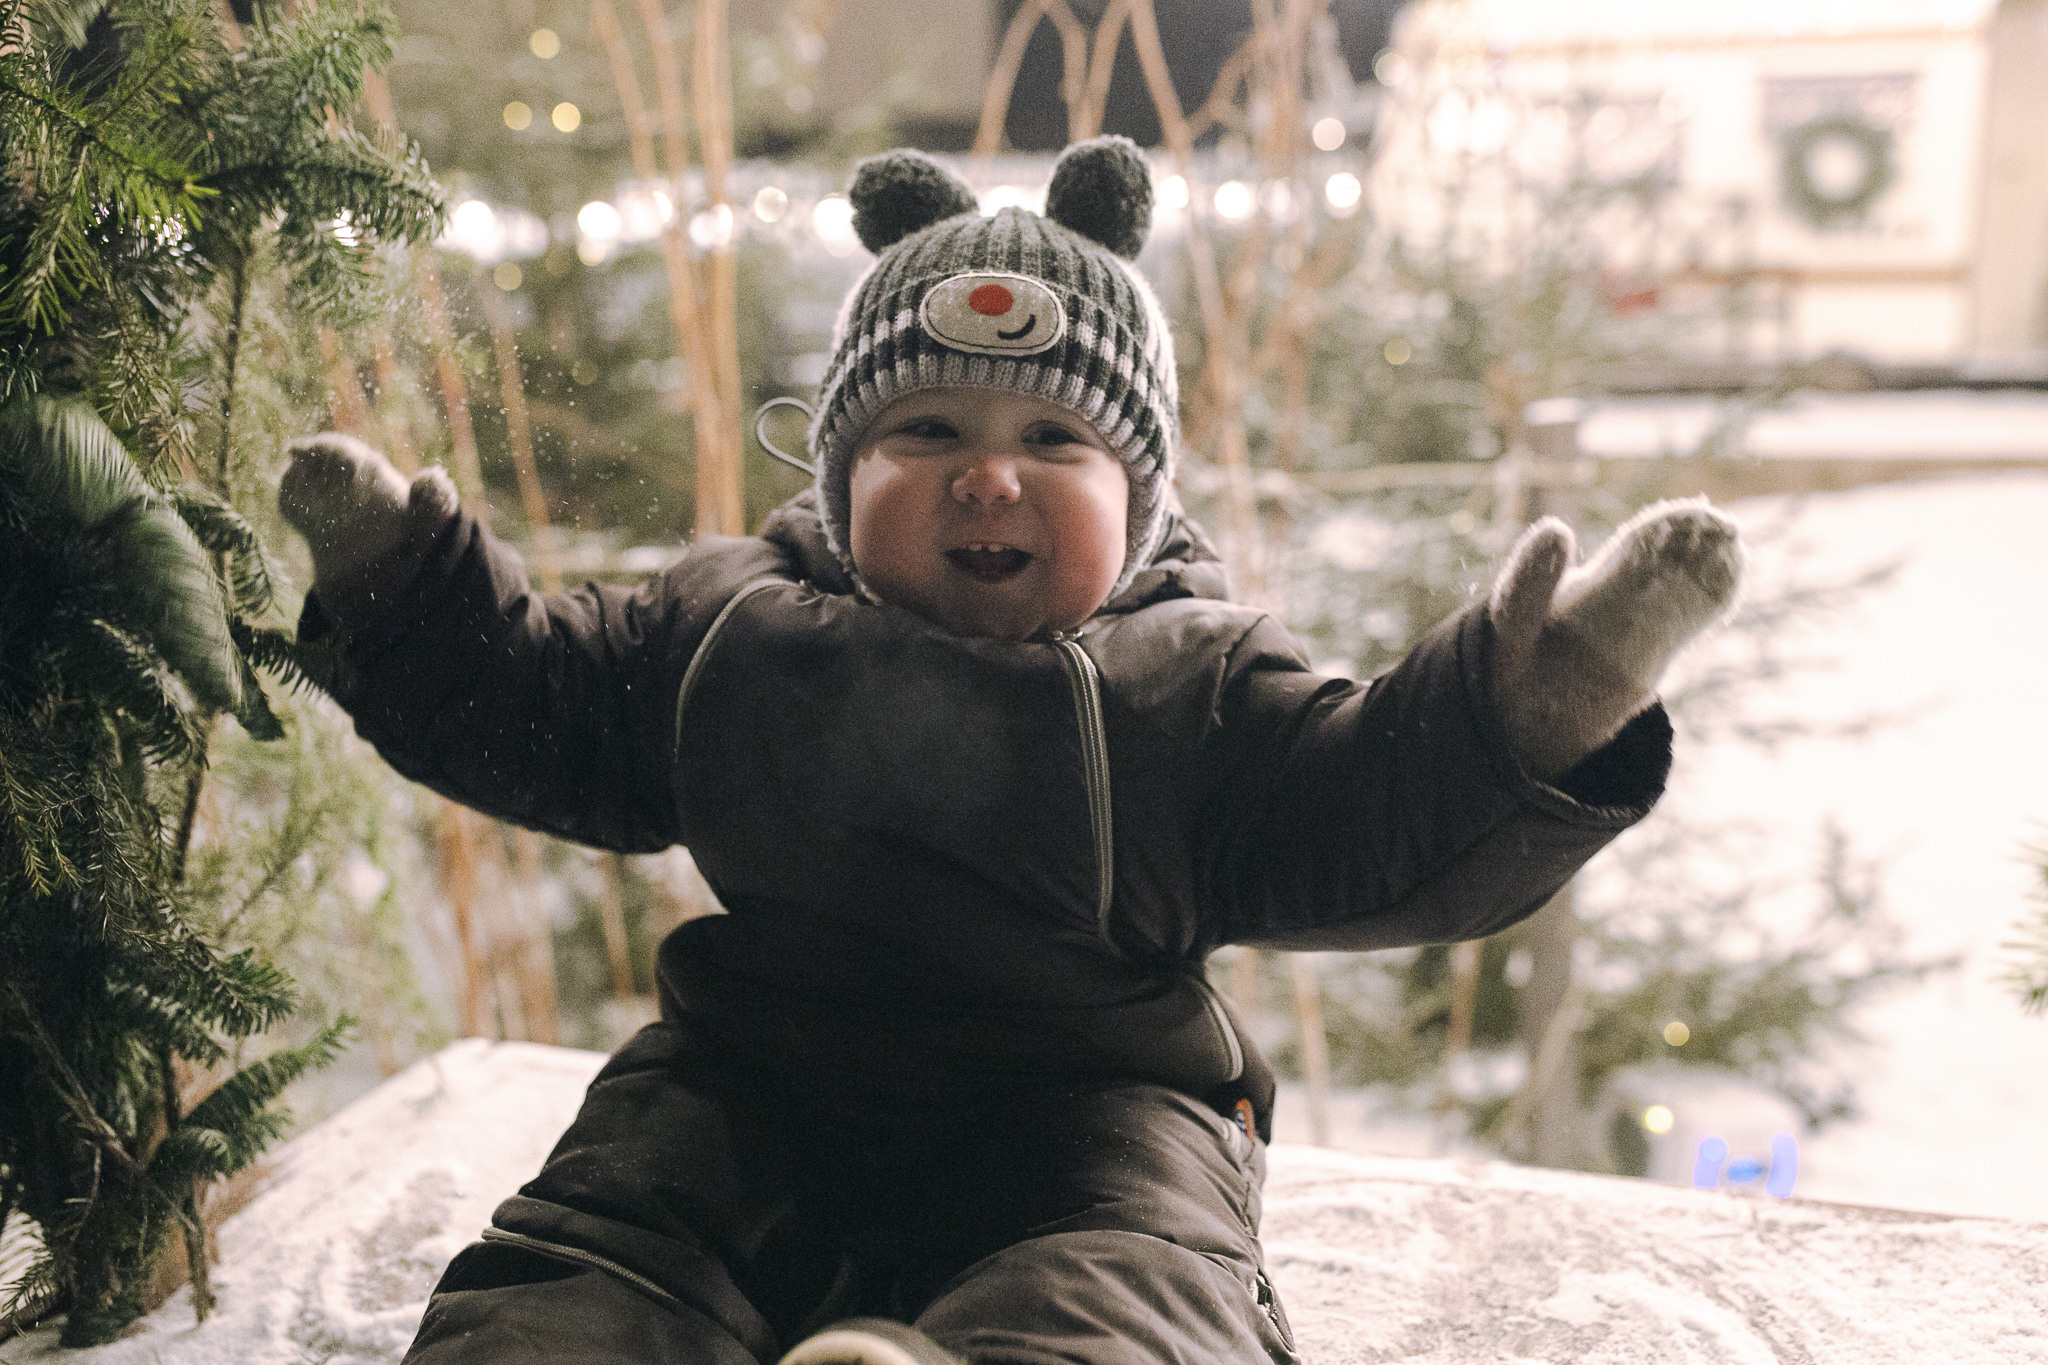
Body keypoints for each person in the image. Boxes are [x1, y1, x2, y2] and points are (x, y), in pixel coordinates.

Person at [279, 136, 1742, 1365]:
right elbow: (543, 707)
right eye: (925, 427)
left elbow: (1375, 808)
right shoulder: (731, 631)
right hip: (752, 1078)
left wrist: (1526, 716)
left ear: (1144, 497)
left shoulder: (1197, 684)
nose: (989, 473)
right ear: (844, 475)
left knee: (1135, 1281)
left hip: (1097, 1106)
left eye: (1056, 441)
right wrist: (408, 597)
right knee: (595, 1255)